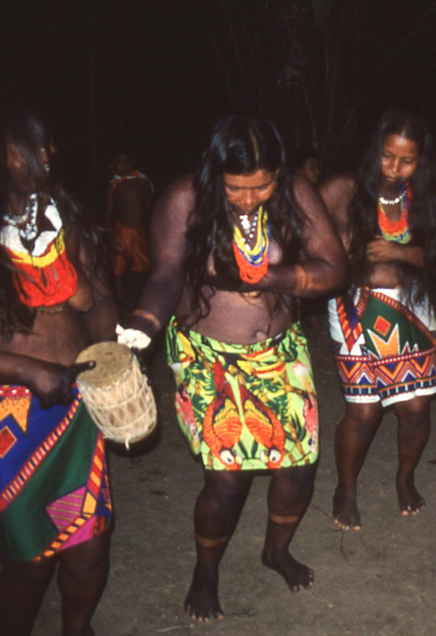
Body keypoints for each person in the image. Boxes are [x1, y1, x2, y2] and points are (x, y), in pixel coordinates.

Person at [118, 115, 346, 620]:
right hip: (207, 357)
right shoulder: (184, 199)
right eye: (235, 188)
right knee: (227, 480)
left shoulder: (296, 192)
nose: (247, 199)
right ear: (213, 173)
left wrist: (266, 278)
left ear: (278, 173)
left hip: (280, 353)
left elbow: (333, 268)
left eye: (261, 186)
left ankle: (275, 551)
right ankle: (206, 572)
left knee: (298, 469)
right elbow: (165, 276)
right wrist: (141, 328)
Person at [0, 113, 117, 636]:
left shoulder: (63, 220)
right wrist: (27, 367)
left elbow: (102, 303)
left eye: (47, 145)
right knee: (29, 558)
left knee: (88, 546)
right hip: (11, 419)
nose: (44, 156)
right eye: (27, 148)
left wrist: (107, 350)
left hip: (74, 408)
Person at [320, 110, 436, 529]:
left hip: (411, 305)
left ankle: (405, 478)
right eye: (387, 155)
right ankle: (345, 489)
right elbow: (301, 237)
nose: (394, 168)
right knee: (364, 413)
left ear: (420, 161)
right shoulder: (342, 189)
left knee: (415, 408)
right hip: (355, 308)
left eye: (407, 160)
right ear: (373, 151)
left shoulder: (426, 197)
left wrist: (401, 252)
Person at [105, 150, 154, 297]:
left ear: (132, 163)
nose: (124, 165)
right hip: (122, 232)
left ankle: (143, 295)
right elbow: (108, 212)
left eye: (127, 162)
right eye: (120, 162)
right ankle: (119, 296)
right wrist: (111, 235)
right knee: (118, 266)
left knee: (144, 265)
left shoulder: (142, 181)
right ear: (113, 166)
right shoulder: (115, 185)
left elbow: (149, 203)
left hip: (140, 231)